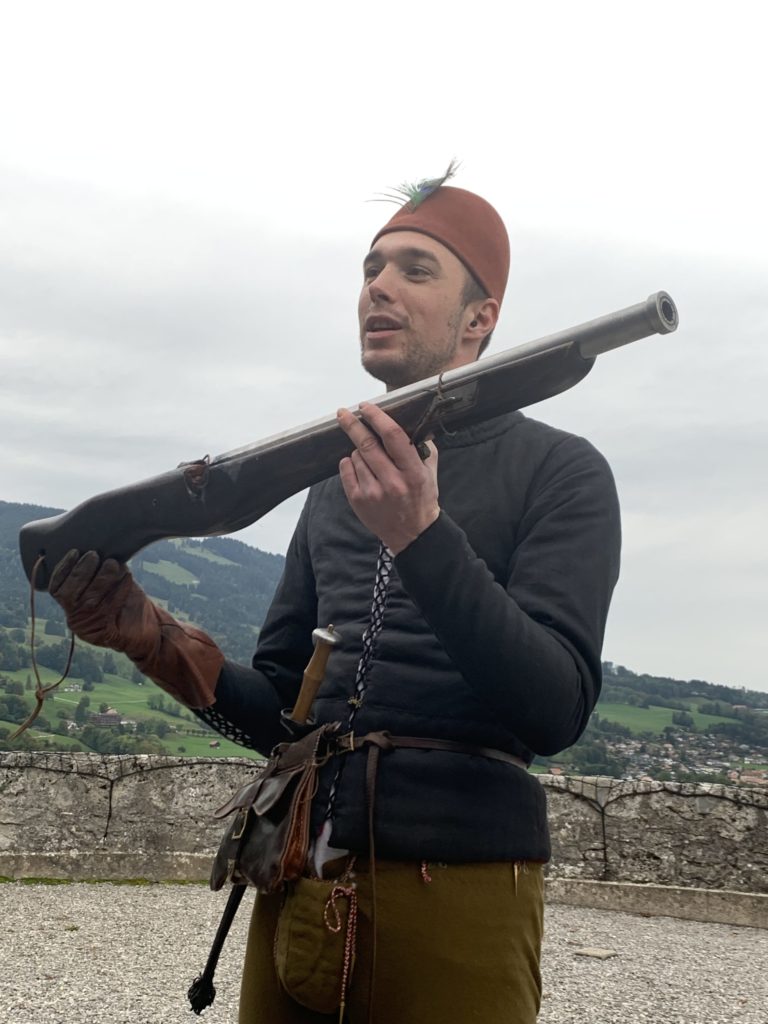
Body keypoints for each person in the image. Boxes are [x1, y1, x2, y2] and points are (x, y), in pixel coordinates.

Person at [49, 171, 621, 1023]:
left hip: (457, 891)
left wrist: (422, 539)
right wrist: (151, 637)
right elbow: (282, 712)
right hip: (296, 870)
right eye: (370, 267)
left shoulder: (565, 471)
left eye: (416, 269)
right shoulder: (329, 487)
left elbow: (554, 709)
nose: (378, 287)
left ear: (481, 317)